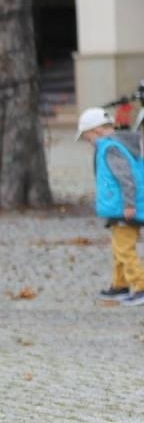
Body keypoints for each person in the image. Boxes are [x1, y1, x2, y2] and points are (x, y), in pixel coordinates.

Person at [76, 106, 144, 304]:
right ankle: (119, 285)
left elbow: (126, 178)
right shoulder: (119, 145)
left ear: (96, 131)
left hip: (125, 209)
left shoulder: (110, 148)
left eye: (86, 136)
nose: (87, 141)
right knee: (118, 249)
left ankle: (140, 286)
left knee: (124, 250)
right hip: (119, 209)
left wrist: (129, 204)